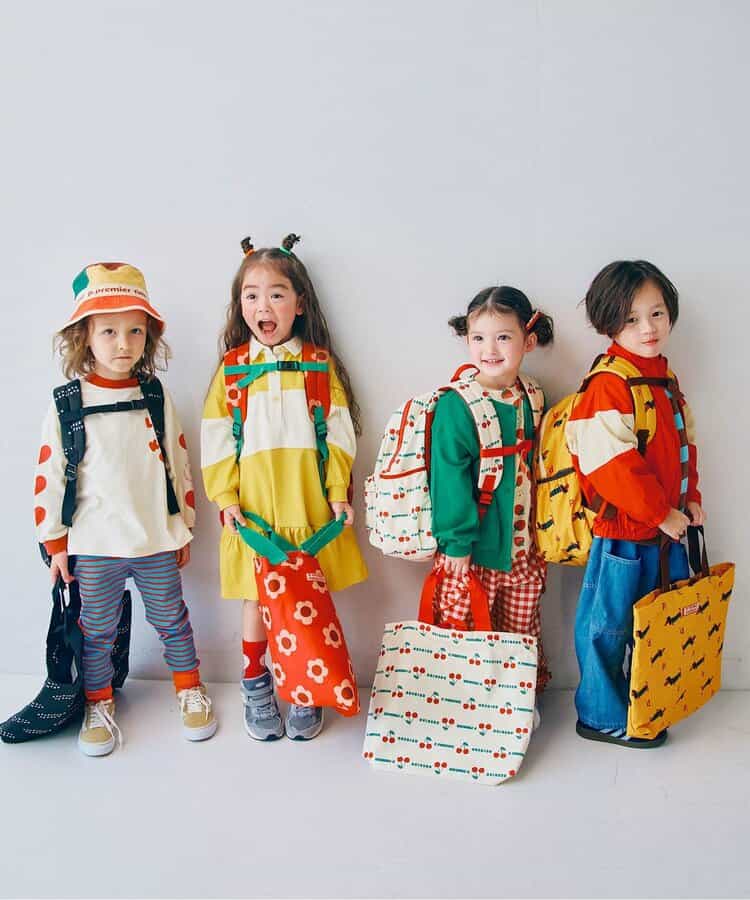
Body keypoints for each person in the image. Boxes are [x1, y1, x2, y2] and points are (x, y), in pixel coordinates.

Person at [35, 262, 216, 756]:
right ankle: (97, 701)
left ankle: (189, 688)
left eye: (135, 331)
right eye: (109, 331)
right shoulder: (67, 402)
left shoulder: (155, 395)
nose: (123, 343)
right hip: (94, 543)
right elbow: (50, 475)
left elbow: (178, 465)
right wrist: (55, 542)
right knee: (96, 631)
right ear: (84, 337)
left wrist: (183, 527)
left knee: (172, 618)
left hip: (154, 538)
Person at [201, 234, 367, 741]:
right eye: (251, 295)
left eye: (276, 294)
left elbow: (338, 434)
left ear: (299, 303)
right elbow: (216, 437)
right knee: (257, 598)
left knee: (305, 598)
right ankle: (255, 683)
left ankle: (304, 688)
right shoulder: (233, 369)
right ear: (240, 306)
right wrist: (225, 497)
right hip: (254, 509)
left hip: (307, 503)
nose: (263, 306)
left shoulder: (319, 365)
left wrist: (337, 491)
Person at [566, 260, 704, 748]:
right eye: (631, 319)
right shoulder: (609, 383)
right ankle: (600, 714)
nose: (648, 328)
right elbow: (611, 465)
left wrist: (690, 498)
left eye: (657, 313)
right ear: (607, 322)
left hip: (666, 531)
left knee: (659, 624)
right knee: (608, 627)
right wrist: (660, 512)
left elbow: (683, 446)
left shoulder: (663, 376)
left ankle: (649, 700)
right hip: (625, 534)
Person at [429, 286, 553, 709]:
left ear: (528, 341)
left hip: (522, 551)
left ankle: (514, 704)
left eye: (503, 337)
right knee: (467, 635)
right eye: (479, 338)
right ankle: (468, 708)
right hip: (473, 554)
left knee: (519, 632)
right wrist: (457, 543)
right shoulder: (458, 405)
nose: (490, 349)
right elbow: (449, 478)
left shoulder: (531, 395)